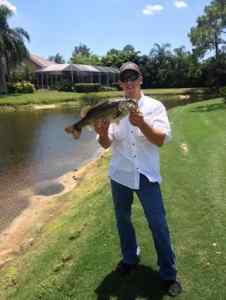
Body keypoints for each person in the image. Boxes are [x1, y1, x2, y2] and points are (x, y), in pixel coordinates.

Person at [95, 62, 182, 297]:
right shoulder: (113, 108)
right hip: (120, 175)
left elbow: (161, 140)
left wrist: (142, 123)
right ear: (121, 83)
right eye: (125, 79)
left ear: (141, 79)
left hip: (147, 175)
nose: (130, 82)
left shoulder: (155, 107)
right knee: (123, 220)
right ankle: (130, 258)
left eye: (134, 77)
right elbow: (105, 143)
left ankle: (168, 273)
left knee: (158, 223)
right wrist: (103, 133)